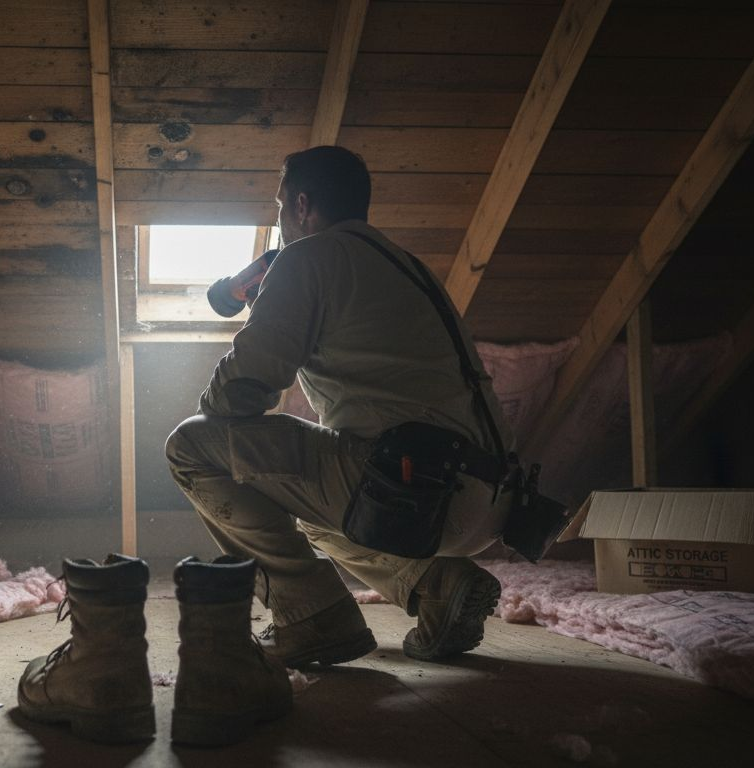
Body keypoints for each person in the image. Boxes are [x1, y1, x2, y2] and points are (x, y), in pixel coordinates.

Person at [165, 145, 515, 668]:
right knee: (305, 512)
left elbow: (237, 395)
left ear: (302, 206)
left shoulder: (309, 258)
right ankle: (437, 585)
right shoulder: (405, 263)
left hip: (421, 490)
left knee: (191, 445)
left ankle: (310, 615)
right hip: (488, 498)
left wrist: (264, 311)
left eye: (282, 207)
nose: (281, 221)